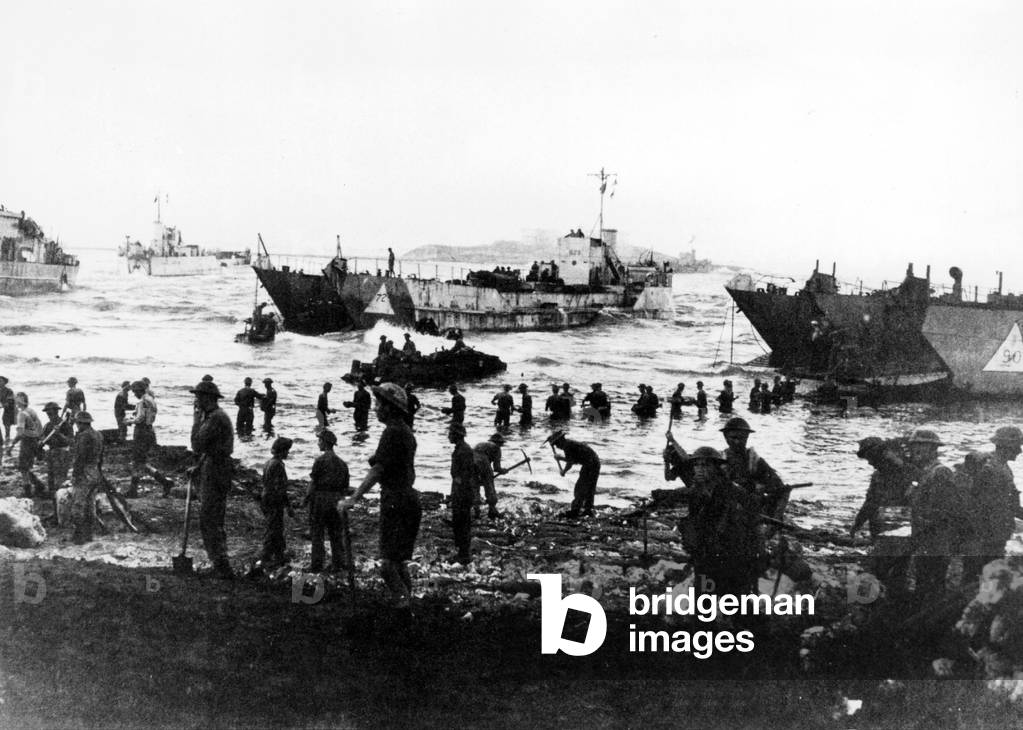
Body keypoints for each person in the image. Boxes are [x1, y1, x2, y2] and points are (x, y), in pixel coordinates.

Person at [339, 383, 422, 611]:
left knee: (387, 565)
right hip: (409, 498)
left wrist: (354, 497)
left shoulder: (392, 432)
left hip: (395, 500)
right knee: (399, 563)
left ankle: (403, 607)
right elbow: (398, 467)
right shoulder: (405, 431)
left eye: (378, 404)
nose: (375, 408)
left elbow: (378, 470)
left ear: (389, 408)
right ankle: (408, 606)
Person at [677, 446, 764, 596]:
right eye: (696, 465)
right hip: (705, 557)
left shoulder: (731, 490)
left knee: (735, 603)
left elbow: (752, 517)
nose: (699, 469)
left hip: (731, 558)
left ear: (716, 468)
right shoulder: (698, 489)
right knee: (704, 601)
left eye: (705, 465)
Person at [849, 436, 914, 595]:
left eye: (871, 458)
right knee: (887, 571)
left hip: (897, 530)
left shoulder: (906, 473)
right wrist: (858, 523)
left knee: (891, 570)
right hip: (883, 529)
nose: (870, 463)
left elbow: (913, 506)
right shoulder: (879, 475)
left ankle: (891, 600)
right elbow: (870, 501)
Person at [960, 426, 1023, 583]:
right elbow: (983, 505)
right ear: (1007, 446)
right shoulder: (991, 469)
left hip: (992, 536)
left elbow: (1010, 504)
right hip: (985, 538)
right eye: (1018, 446)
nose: (1020, 451)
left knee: (982, 579)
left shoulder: (1002, 467)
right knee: (976, 580)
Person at [906, 428, 958, 601]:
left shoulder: (940, 472)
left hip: (935, 543)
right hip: (927, 542)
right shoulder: (926, 472)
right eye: (914, 447)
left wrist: (920, 532)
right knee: (925, 587)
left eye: (921, 446)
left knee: (932, 589)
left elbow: (942, 511)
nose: (915, 451)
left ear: (933, 449)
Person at [191, 380, 236, 579]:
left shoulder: (215, 418)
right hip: (213, 465)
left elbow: (197, 444)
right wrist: (198, 466)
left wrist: (195, 420)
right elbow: (208, 449)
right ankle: (218, 561)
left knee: (210, 516)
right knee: (211, 516)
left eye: (198, 396)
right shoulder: (214, 416)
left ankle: (221, 565)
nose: (195, 400)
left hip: (217, 469)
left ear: (207, 398)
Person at [720, 417, 788, 524]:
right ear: (725, 437)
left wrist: (758, 487)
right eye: (733, 437)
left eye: (742, 438)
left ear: (747, 438)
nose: (737, 441)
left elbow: (778, 486)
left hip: (750, 508)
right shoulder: (720, 459)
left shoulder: (754, 460)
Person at [306, 429, 350, 572]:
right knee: (336, 533)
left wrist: (306, 499)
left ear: (325, 443)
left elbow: (313, 483)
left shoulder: (320, 460)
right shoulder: (342, 464)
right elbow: (345, 487)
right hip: (336, 500)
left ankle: (317, 565)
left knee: (317, 533)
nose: (318, 443)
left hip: (321, 499)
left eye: (319, 440)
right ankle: (338, 564)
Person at [124, 380, 172, 498]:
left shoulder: (142, 402)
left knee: (137, 461)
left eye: (135, 391)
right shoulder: (151, 400)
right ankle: (164, 482)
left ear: (140, 390)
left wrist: (129, 421)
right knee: (142, 462)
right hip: (149, 431)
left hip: (141, 431)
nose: (134, 394)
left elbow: (140, 418)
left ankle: (133, 490)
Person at [69, 411, 104, 544]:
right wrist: (99, 472)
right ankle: (89, 535)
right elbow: (101, 457)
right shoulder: (98, 435)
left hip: (84, 472)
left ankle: (79, 535)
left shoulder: (83, 436)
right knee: (90, 504)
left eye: (77, 423)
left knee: (78, 504)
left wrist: (75, 475)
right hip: (94, 471)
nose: (77, 426)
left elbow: (80, 457)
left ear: (80, 423)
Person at [259, 436, 294, 568]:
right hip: (274, 500)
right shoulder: (278, 465)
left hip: (266, 498)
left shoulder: (269, 463)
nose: (288, 453)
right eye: (287, 450)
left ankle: (278, 555)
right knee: (274, 528)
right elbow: (280, 488)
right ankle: (266, 557)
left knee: (274, 527)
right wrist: (288, 506)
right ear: (282, 451)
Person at [549, 430, 600, 519]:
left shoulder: (567, 446)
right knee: (589, 488)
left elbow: (570, 462)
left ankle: (576, 510)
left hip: (591, 464)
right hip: (593, 462)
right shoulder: (569, 444)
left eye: (557, 444)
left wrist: (563, 470)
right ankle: (588, 510)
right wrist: (561, 459)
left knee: (580, 488)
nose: (557, 447)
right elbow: (572, 459)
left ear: (561, 440)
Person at [447, 423, 476, 564]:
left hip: (463, 491)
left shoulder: (464, 450)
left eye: (450, 433)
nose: (448, 436)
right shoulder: (461, 449)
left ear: (456, 435)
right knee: (459, 521)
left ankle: (464, 554)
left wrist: (459, 489)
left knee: (462, 522)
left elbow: (465, 474)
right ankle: (462, 552)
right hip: (460, 490)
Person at [6, 393, 45, 497]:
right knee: (27, 466)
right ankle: (38, 484)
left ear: (18, 402)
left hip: (27, 442)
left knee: (23, 468)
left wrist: (12, 445)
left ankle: (28, 491)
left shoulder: (21, 414)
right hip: (34, 441)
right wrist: (39, 439)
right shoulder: (31, 411)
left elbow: (20, 433)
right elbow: (39, 427)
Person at [40, 401, 73, 496]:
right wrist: (41, 442)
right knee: (50, 475)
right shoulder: (47, 425)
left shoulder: (65, 425)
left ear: (56, 412)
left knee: (61, 476)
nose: (49, 415)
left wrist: (59, 434)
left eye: (50, 413)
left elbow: (70, 441)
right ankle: (52, 496)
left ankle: (61, 496)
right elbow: (43, 437)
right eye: (48, 414)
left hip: (62, 453)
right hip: (51, 452)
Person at [472, 433, 505, 520]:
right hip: (483, 461)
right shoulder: (496, 448)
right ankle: (492, 510)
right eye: (501, 443)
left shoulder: (480, 444)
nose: (502, 445)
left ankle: (476, 511)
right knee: (489, 485)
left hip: (470, 461)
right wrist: (503, 471)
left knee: (474, 485)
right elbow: (497, 468)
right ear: (499, 443)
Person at [0, 375, 15, 447]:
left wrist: (2, 405)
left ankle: (7, 442)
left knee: (7, 425)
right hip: (5, 409)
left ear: (4, 382)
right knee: (5, 423)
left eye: (0, 381)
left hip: (11, 410)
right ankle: (7, 441)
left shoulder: (9, 391)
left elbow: (10, 401)